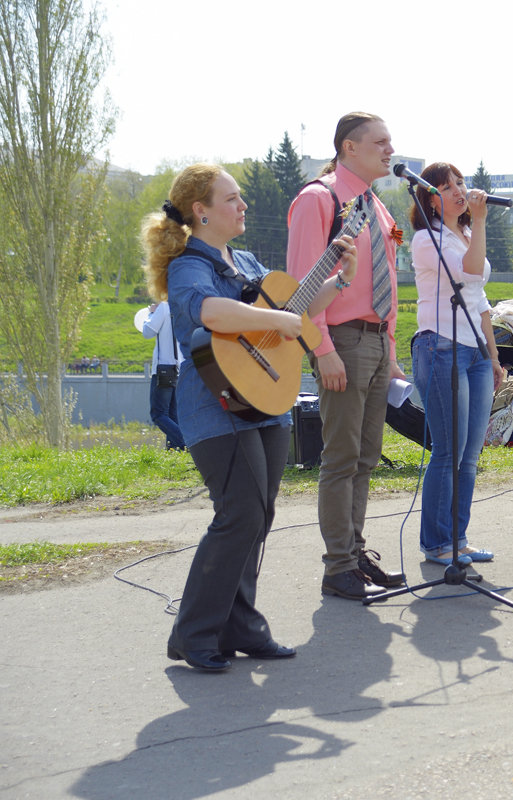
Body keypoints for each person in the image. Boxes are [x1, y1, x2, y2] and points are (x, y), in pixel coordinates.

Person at [145, 164, 357, 671]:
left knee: (257, 516)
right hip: (216, 410)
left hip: (263, 402)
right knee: (238, 514)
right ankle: (192, 633)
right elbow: (211, 314)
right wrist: (276, 318)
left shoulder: (242, 260)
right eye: (232, 199)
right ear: (201, 211)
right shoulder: (188, 264)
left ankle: (241, 626)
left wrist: (336, 280)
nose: (243, 206)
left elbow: (294, 314)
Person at [286, 112, 406, 601]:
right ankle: (338, 567)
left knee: (365, 456)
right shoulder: (319, 199)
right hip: (342, 339)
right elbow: (302, 284)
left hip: (376, 342)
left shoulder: (376, 206)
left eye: (390, 142)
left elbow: (390, 280)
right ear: (348, 148)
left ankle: (354, 557)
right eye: (380, 142)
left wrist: (391, 348)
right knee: (340, 458)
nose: (390, 149)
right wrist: (323, 347)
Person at [409, 163, 504, 565]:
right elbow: (469, 269)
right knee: (447, 452)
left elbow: (479, 298)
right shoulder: (426, 239)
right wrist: (480, 223)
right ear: (431, 198)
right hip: (440, 346)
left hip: (475, 350)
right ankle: (436, 543)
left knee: (469, 455)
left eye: (461, 183)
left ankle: (458, 538)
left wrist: (494, 356)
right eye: (447, 187)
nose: (460, 191)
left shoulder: (464, 233)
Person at [140, 300, 184, 450]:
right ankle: (174, 451)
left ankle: (186, 442)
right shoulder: (181, 305)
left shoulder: (163, 307)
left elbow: (147, 332)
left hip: (163, 367)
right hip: (179, 367)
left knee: (158, 414)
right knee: (172, 414)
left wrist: (151, 313)